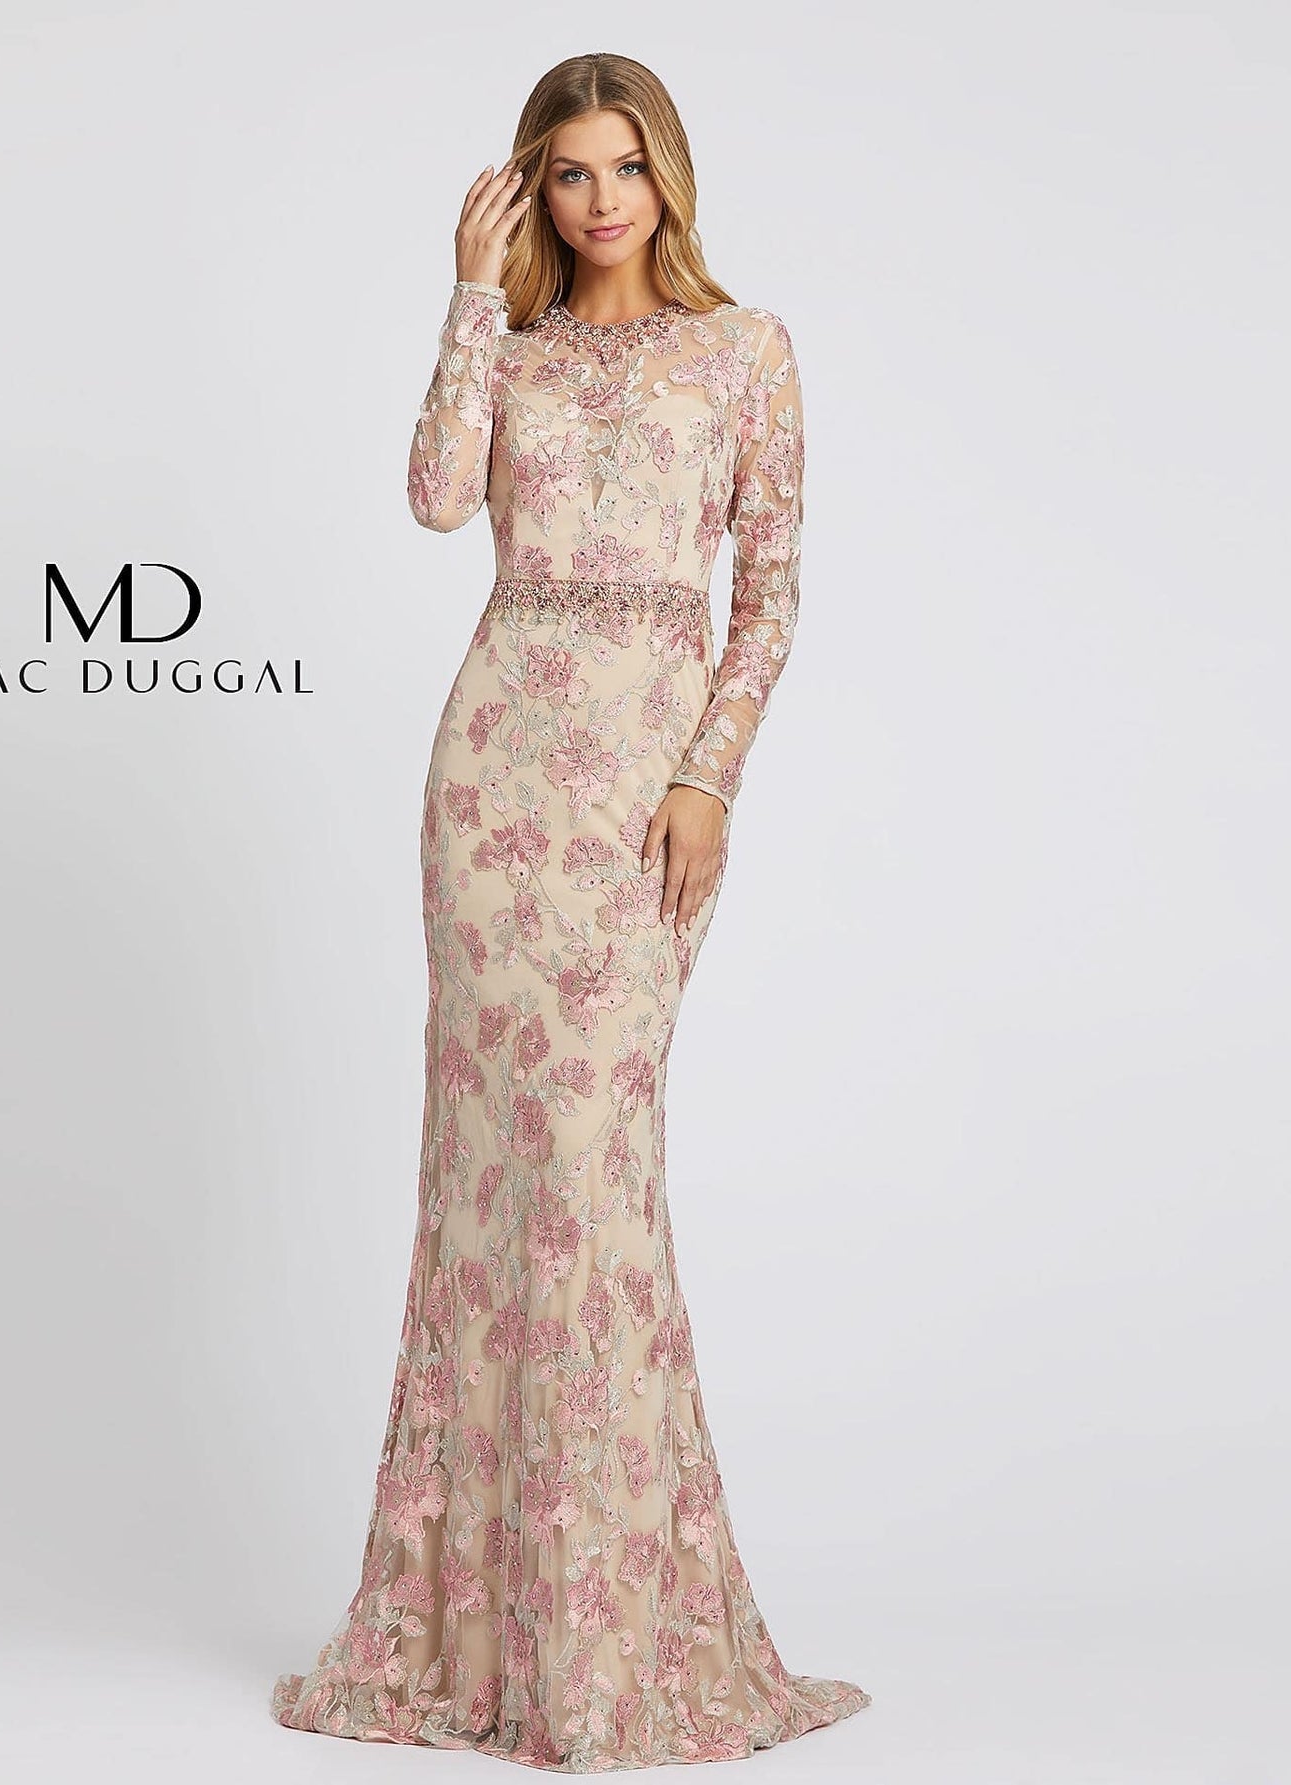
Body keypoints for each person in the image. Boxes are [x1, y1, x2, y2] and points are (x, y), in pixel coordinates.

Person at [270, 51, 871, 1771]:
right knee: (490, 1179)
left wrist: (709, 776)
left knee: (595, 1174)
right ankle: (473, 1633)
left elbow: (773, 588)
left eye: (626, 167)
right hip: (494, 777)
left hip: (639, 789)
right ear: (533, 188)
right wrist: (469, 298)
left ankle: (613, 1628)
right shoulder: (515, 350)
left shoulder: (746, 352)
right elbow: (436, 497)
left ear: (668, 175)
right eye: (569, 173)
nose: (602, 200)